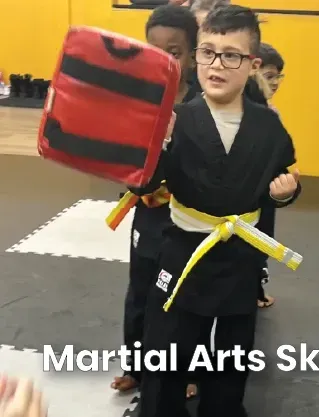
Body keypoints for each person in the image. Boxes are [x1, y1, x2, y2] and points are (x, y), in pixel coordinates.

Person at [135, 5, 302, 417]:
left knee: (232, 353)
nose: (216, 64)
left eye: (231, 55)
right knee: (168, 349)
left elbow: (283, 175)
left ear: (252, 64)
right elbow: (144, 183)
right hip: (183, 250)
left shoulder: (269, 126)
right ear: (196, 57)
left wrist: (286, 192)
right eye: (208, 52)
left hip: (238, 257)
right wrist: (161, 146)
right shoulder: (179, 118)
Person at [110, 4, 200, 397]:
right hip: (148, 215)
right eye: (155, 50)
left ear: (194, 56)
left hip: (192, 218)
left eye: (175, 51)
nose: (164, 60)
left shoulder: (203, 104)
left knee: (186, 297)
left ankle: (187, 371)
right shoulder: (140, 99)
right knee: (141, 292)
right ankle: (136, 365)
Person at [254, 42, 286, 308]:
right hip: (249, 194)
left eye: (278, 77)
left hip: (266, 192)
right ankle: (253, 288)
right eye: (269, 76)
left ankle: (256, 286)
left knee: (263, 236)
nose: (275, 83)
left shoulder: (271, 113)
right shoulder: (251, 113)